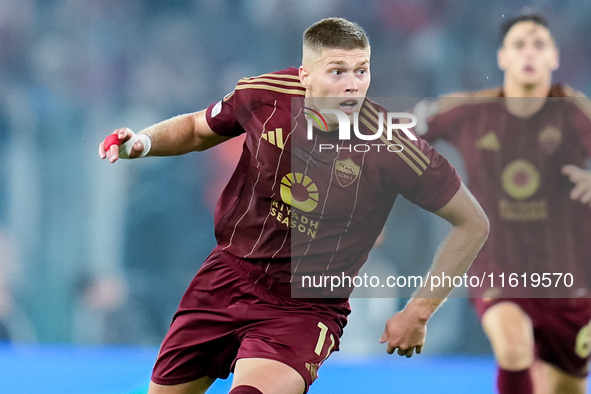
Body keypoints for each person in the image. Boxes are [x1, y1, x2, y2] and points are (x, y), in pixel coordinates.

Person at [99, 18, 489, 394]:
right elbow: (198, 129)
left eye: (361, 71)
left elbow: (472, 222)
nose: (353, 86)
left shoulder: (392, 145)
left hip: (303, 308)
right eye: (338, 72)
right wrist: (143, 143)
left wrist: (419, 311)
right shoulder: (265, 95)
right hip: (226, 277)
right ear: (306, 75)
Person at [417, 14, 591, 394]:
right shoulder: (466, 111)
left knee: (562, 387)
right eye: (519, 45)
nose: (529, 52)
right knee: (514, 349)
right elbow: (395, 134)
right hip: (498, 266)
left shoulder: (575, 112)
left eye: (538, 45)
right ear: (502, 58)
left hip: (570, 277)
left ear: (554, 58)